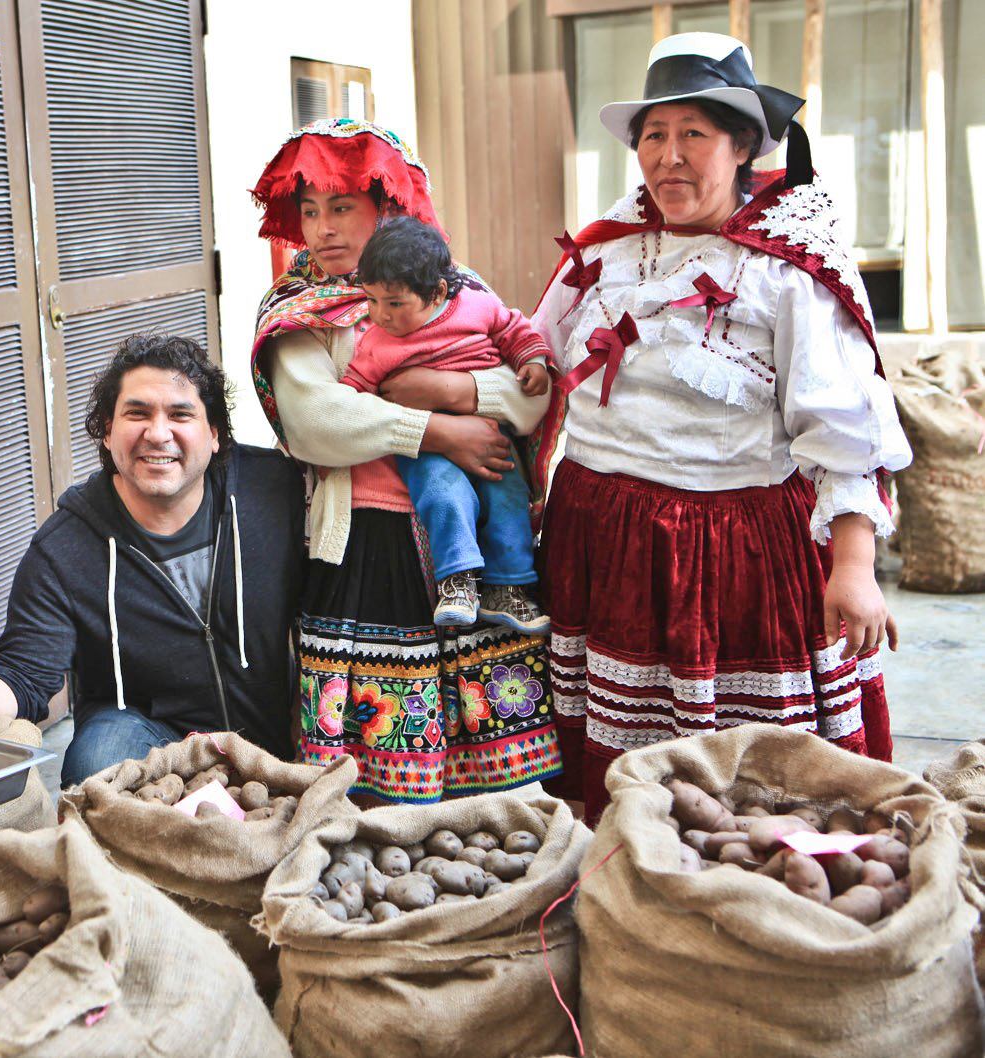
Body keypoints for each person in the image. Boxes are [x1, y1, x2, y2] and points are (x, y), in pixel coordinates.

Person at [529, 33, 911, 820]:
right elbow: (532, 363)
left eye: (693, 135)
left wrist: (853, 564)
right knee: (612, 778)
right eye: (653, 136)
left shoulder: (785, 270)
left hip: (729, 551)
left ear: (741, 148)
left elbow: (840, 421)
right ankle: (629, 891)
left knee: (749, 793)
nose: (669, 156)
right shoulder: (604, 254)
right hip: (598, 538)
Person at [249, 118, 563, 803]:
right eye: (309, 212)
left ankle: (487, 862)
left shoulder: (454, 288)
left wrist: (451, 389)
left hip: (472, 540)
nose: (323, 229)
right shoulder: (296, 311)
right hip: (365, 538)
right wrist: (441, 430)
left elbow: (532, 398)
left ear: (387, 206)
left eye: (341, 208)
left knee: (486, 742)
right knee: (377, 756)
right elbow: (315, 421)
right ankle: (379, 864)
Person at [0, 333, 306, 786]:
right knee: (96, 759)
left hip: (270, 736)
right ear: (107, 428)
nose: (158, 434)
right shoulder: (66, 547)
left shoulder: (272, 491)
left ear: (214, 434)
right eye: (137, 413)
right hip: (150, 744)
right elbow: (24, 675)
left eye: (180, 414)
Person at [344, 216, 551, 633]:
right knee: (442, 495)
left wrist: (533, 361)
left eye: (395, 303)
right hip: (426, 444)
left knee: (507, 496)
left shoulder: (476, 304)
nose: (380, 315)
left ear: (437, 291)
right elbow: (353, 396)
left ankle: (507, 590)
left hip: (491, 434)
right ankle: (456, 582)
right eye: (372, 300)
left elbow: (513, 328)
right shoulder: (377, 344)